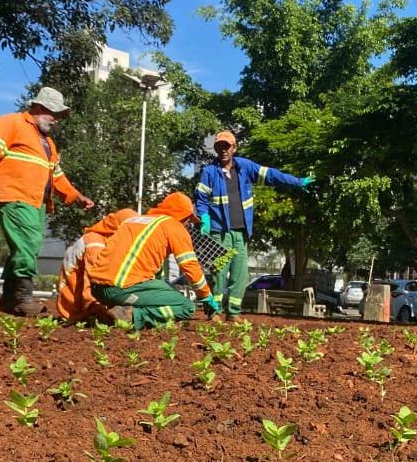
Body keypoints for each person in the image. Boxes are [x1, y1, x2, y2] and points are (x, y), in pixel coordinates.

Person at [0, 86, 94, 316]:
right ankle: (24, 297)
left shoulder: (47, 143)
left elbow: (56, 175)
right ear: (38, 107)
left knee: (26, 246)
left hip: (36, 203)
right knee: (27, 244)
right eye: (53, 113)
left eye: (58, 115)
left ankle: (9, 300)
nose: (56, 120)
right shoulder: (12, 123)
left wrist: (75, 195)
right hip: (15, 196)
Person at [193, 130, 312, 322]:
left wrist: (297, 182)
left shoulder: (245, 167)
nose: (223, 150)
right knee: (218, 274)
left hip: (240, 233)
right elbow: (201, 199)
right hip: (218, 233)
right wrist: (204, 218)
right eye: (219, 147)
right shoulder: (209, 172)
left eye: (226, 146)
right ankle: (213, 312)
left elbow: (271, 175)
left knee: (240, 274)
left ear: (234, 148)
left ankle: (233, 312)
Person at [89, 192, 221, 330]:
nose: (188, 224)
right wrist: (206, 296)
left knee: (163, 288)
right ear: (183, 216)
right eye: (188, 220)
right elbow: (190, 266)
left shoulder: (134, 221)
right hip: (121, 288)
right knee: (186, 306)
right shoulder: (174, 226)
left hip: (98, 289)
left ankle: (111, 312)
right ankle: (131, 315)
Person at [55, 208, 137, 324]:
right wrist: (103, 313)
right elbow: (91, 286)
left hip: (80, 304)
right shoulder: (95, 244)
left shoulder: (106, 241)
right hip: (76, 308)